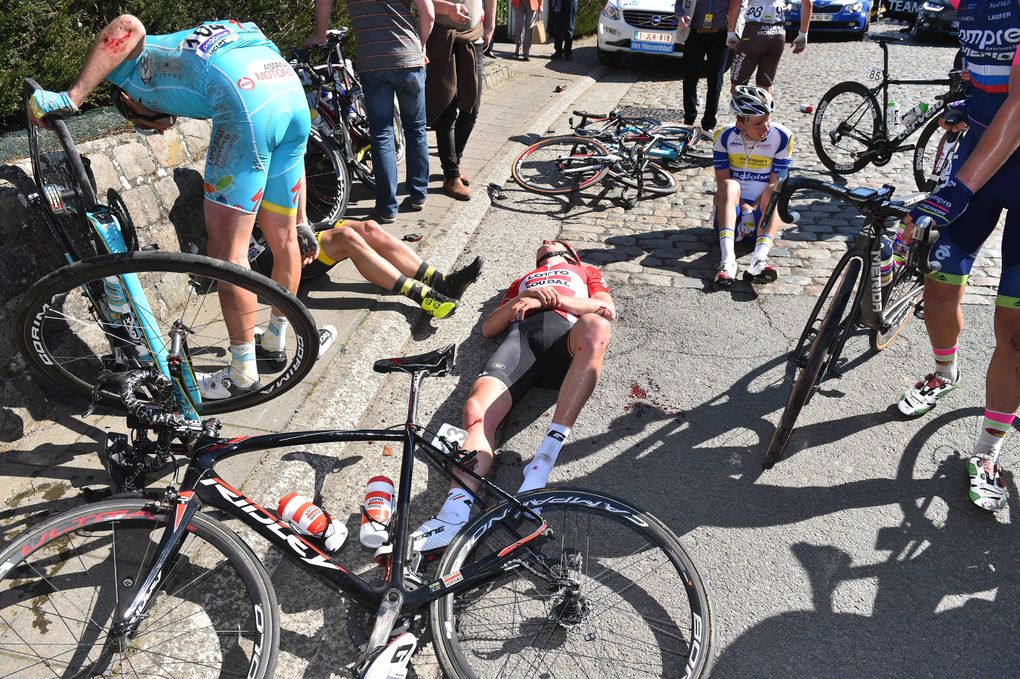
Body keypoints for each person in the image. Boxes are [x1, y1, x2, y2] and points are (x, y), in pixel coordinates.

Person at [28, 16, 322, 400]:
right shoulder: (180, 48)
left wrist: (73, 97)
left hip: (246, 106)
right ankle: (276, 340)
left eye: (143, 124)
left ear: (130, 102)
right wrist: (301, 220)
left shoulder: (130, 74)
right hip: (287, 91)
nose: (160, 130)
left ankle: (242, 372)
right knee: (285, 239)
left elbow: (127, 23)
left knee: (228, 255)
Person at [411, 240, 616, 552]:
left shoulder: (584, 270)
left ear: (569, 253)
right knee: (475, 409)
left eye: (554, 243)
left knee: (597, 328)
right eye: (542, 245)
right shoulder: (522, 280)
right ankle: (454, 511)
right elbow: (488, 329)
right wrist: (526, 296)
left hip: (567, 342)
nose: (546, 242)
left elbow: (606, 309)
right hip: (521, 343)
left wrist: (557, 299)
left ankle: (542, 462)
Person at [896, 0, 1019, 512]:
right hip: (980, 160)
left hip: (987, 172)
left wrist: (959, 188)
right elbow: (980, 80)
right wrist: (960, 104)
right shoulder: (968, 8)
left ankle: (988, 450)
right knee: (939, 289)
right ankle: (945, 374)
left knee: (1014, 331)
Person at [307, 0, 434, 224]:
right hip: (409, 59)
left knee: (381, 134)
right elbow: (428, 14)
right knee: (415, 129)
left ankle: (386, 207)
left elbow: (323, 2)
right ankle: (418, 194)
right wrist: (421, 45)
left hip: (372, 63)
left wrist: (319, 36)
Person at [306, 220, 483, 319]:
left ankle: (441, 282)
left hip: (303, 225)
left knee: (369, 228)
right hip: (285, 252)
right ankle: (421, 296)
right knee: (346, 238)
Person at [711, 86, 792, 287]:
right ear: (740, 124)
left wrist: (753, 207)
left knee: (777, 190)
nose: (766, 128)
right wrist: (743, 207)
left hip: (761, 213)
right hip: (731, 211)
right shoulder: (723, 135)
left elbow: (774, 182)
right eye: (758, 124)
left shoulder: (782, 137)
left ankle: (759, 260)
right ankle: (727, 262)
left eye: (768, 120)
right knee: (729, 185)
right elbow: (722, 181)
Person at [426, 0, 497, 201]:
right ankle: (451, 175)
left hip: (473, 39)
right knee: (447, 111)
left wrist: (490, 25)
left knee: (471, 110)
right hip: (442, 37)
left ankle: (454, 162)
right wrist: (448, 9)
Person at [675, 0, 732, 140]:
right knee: (690, 78)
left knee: (715, 80)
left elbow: (739, 5)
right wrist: (680, 14)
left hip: (721, 34)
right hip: (695, 33)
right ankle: (688, 119)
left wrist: (735, 27)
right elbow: (679, 2)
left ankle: (708, 124)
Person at [726, 0, 810, 93]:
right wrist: (803, 34)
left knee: (738, 86)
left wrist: (731, 32)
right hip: (778, 33)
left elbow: (735, 4)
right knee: (765, 86)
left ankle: (741, 106)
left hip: (753, 32)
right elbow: (807, 4)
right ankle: (764, 105)